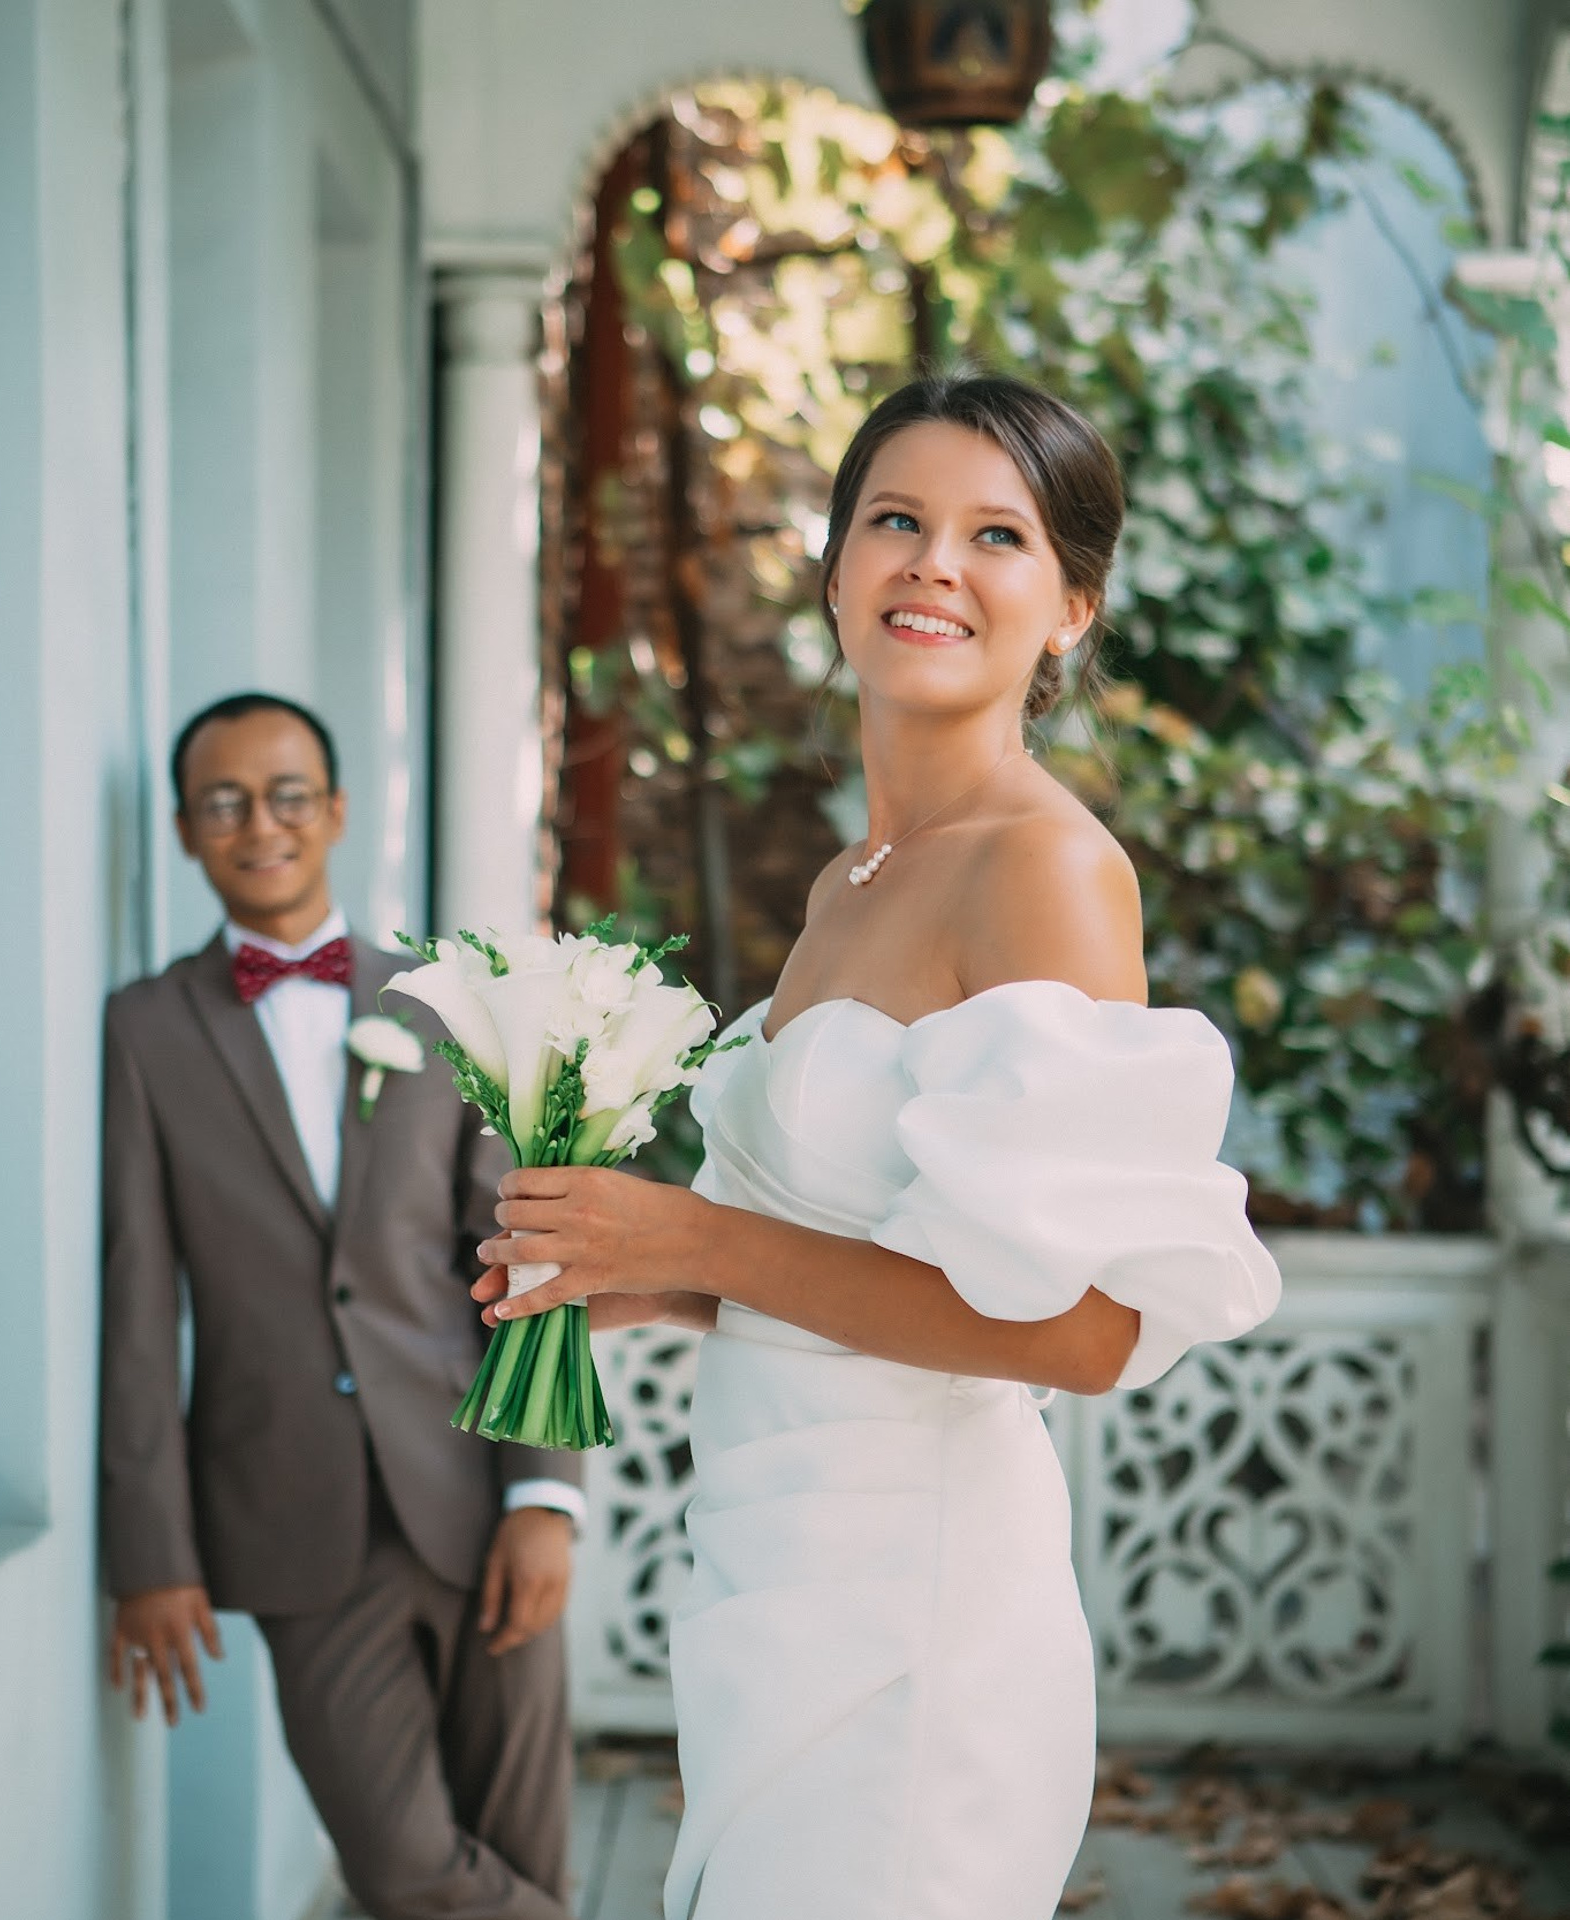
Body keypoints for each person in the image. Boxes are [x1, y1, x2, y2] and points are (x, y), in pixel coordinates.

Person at [470, 373, 1283, 1920]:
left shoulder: (1043, 872)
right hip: (777, 1576)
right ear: (834, 569)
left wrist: (694, 1239)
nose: (932, 564)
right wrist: (649, 1288)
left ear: (1070, 612)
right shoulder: (856, 878)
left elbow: (1078, 1329)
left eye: (998, 536)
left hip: (918, 1611)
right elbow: (889, 1261)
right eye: (895, 521)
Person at [100, 693, 584, 1920]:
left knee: (525, 1846)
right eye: (225, 803)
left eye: (286, 795)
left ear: (336, 813)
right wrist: (151, 1555)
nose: (258, 823)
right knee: (406, 1867)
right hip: (293, 1523)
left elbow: (521, 1255)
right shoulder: (146, 1031)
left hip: (476, 1492)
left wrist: (544, 1495)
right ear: (185, 830)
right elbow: (139, 1306)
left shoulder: (447, 1004)